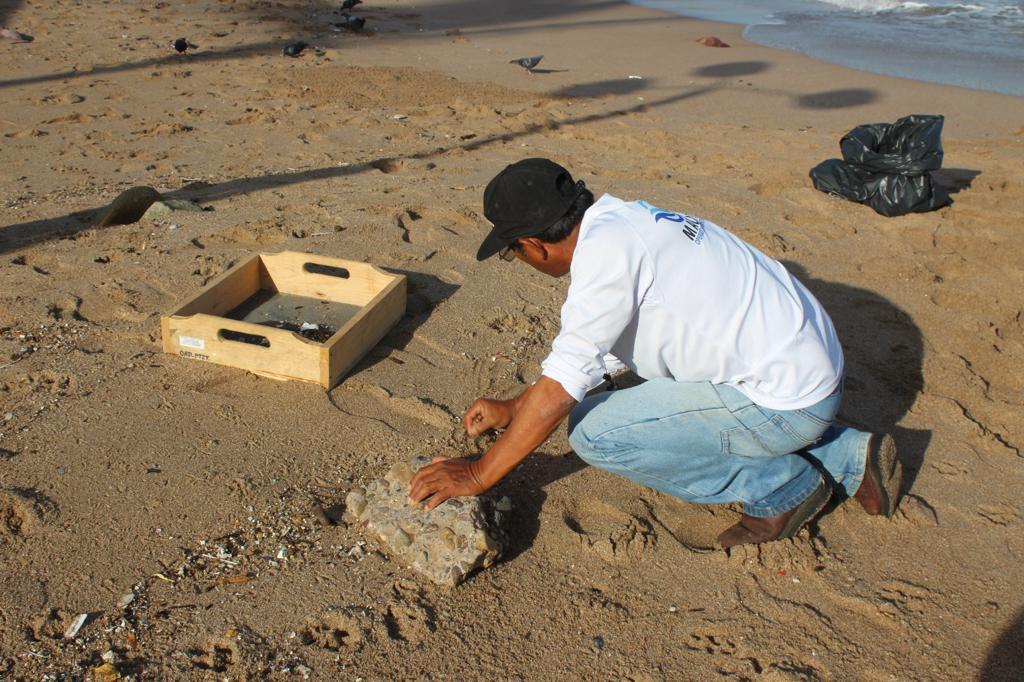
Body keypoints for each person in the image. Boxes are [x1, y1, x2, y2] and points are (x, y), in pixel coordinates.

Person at [408, 158, 902, 547]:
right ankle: (844, 454)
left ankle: (779, 488)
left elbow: (561, 390)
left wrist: (478, 473)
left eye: (511, 252)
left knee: (595, 432)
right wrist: (517, 406)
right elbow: (605, 349)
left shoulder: (603, 261)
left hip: (788, 405)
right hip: (809, 373)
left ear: (534, 245)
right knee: (624, 395)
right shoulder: (626, 220)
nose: (518, 260)